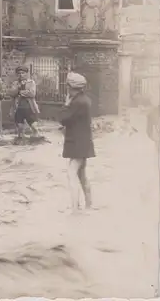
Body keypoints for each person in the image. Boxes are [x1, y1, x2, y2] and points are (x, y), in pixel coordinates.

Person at [60, 72, 95, 213]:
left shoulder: (77, 102)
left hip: (78, 143)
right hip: (83, 142)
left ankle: (75, 208)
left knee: (71, 173)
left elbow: (63, 119)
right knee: (81, 174)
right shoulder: (84, 100)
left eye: (68, 86)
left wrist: (66, 104)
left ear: (72, 87)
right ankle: (88, 205)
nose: (67, 89)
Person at [8, 65, 41, 140]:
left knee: (34, 126)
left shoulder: (31, 82)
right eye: (19, 73)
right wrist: (19, 89)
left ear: (26, 74)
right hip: (18, 107)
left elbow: (32, 93)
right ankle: (21, 141)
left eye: (23, 73)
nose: (21, 75)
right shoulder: (15, 83)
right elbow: (12, 93)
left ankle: (36, 138)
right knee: (20, 127)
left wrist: (20, 92)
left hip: (29, 107)